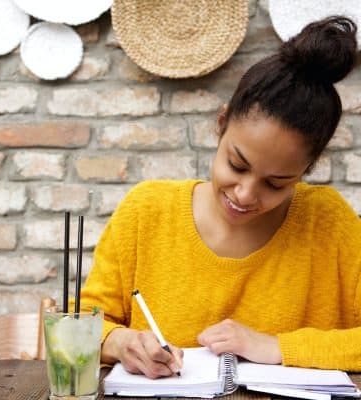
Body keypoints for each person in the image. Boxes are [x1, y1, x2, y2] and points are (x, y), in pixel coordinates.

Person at [79, 16, 361, 378]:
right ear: (221, 124)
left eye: (276, 183)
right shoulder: (145, 212)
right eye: (237, 165)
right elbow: (81, 322)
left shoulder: (328, 222)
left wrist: (276, 347)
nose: (245, 194)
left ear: (305, 171)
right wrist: (119, 342)